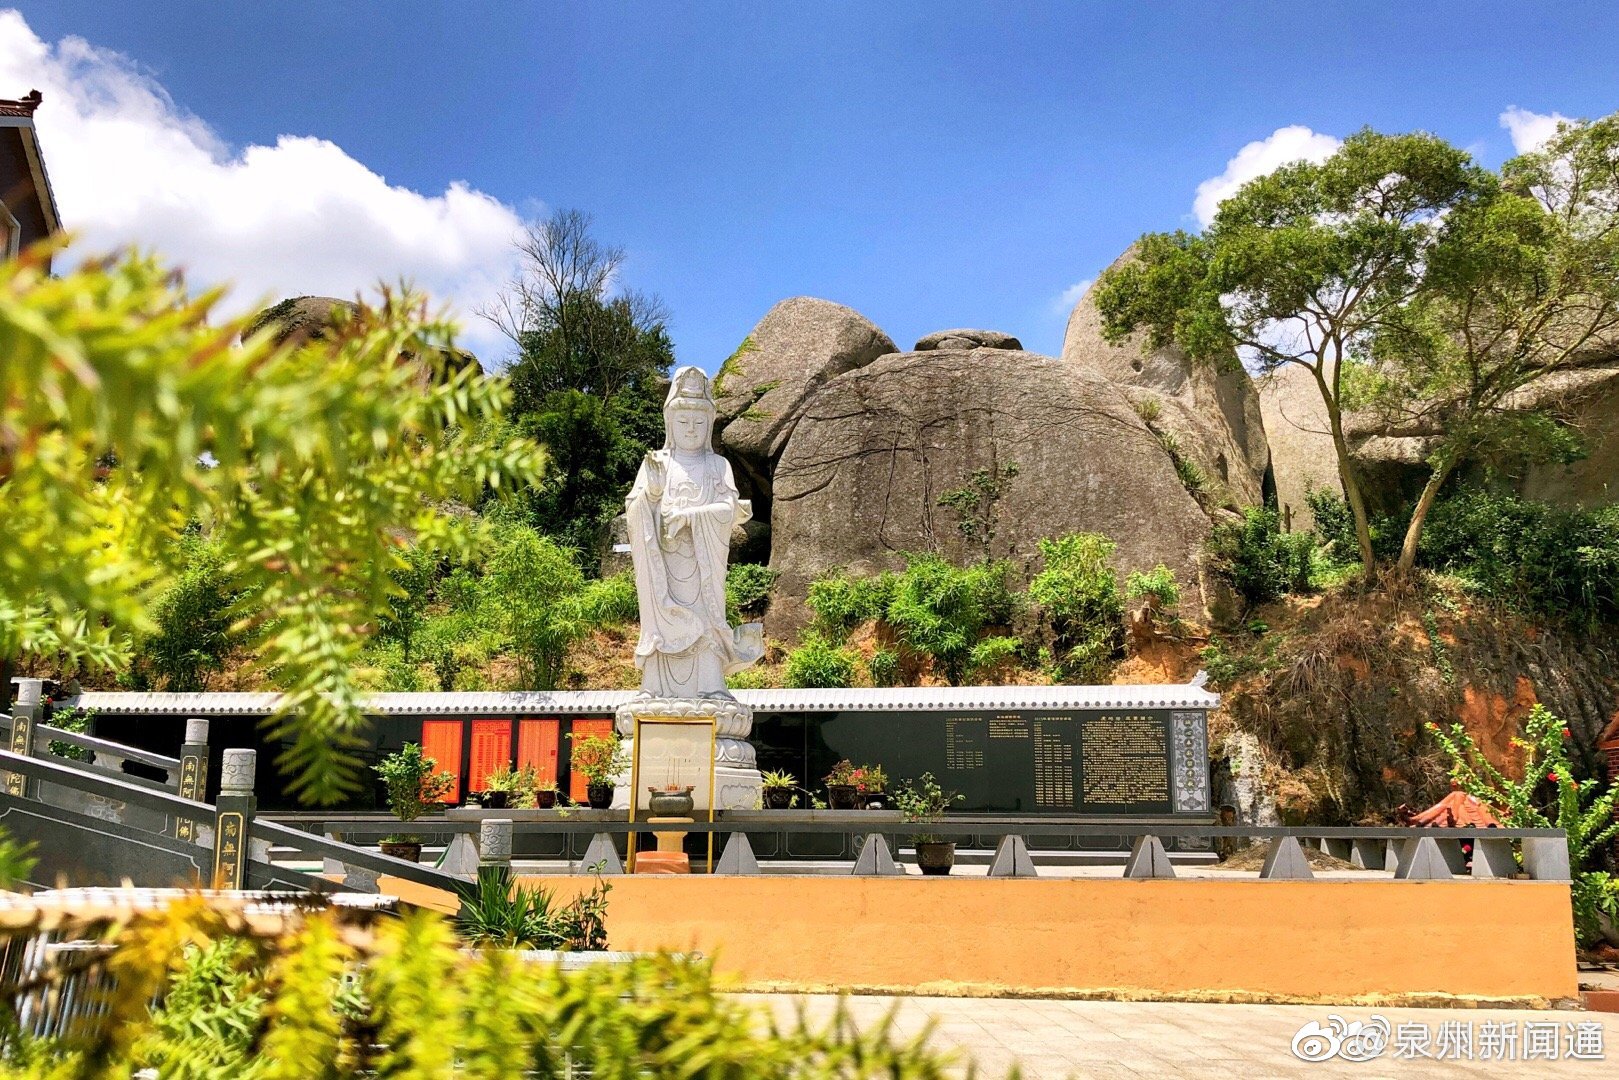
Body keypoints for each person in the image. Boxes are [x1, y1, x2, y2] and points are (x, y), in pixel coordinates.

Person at [624, 366, 763, 698]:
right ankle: (654, 688)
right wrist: (653, 495)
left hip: (704, 568)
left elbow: (730, 510)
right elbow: (634, 509)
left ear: (709, 424)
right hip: (665, 567)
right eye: (683, 420)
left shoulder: (718, 466)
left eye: (699, 422)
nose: (690, 428)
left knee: (704, 623)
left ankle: (711, 687)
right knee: (661, 619)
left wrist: (690, 516)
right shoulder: (656, 462)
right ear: (669, 422)